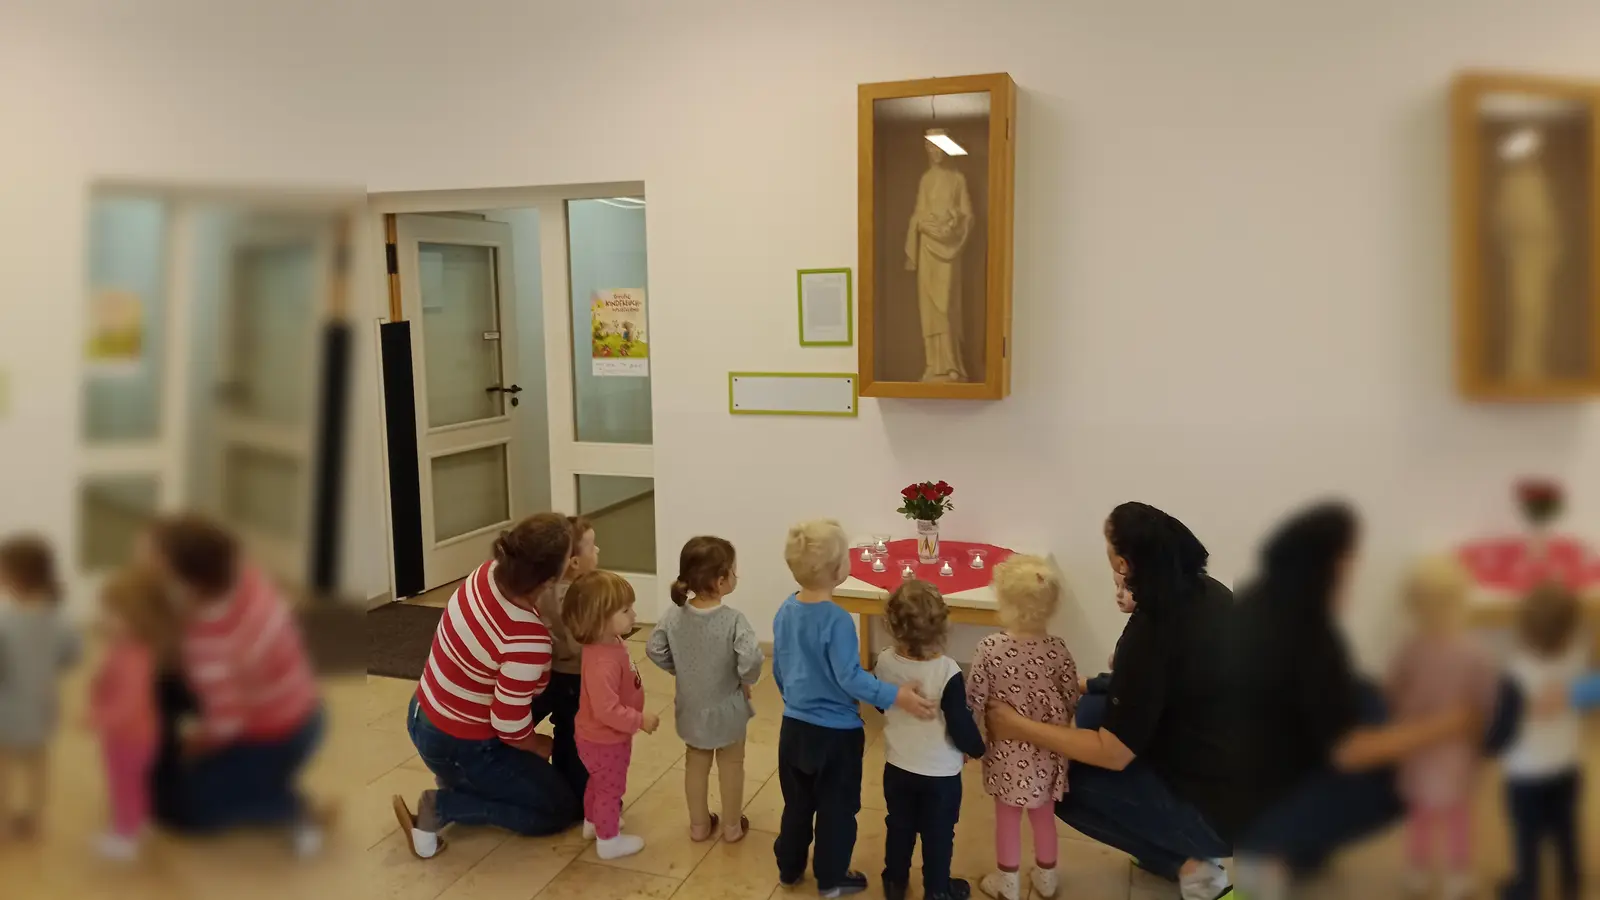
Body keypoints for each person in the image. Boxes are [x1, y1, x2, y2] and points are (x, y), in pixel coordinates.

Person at [1229, 502, 1513, 900]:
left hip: (1233, 763)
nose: (1352, 573)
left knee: (1372, 711)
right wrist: (1448, 725)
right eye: (1348, 563)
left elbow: (1381, 691)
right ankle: (1280, 844)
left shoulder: (1258, 600)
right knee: (1407, 777)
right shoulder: (1309, 638)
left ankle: (1297, 844)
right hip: (1265, 786)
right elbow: (1349, 749)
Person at [984, 502, 1235, 900]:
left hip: (1218, 812)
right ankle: (1178, 843)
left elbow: (1114, 752)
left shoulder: (1150, 635)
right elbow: (1160, 683)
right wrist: (1086, 684)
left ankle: (1191, 862)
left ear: (1123, 563)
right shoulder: (1210, 594)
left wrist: (1018, 726)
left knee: (1057, 779)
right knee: (1092, 710)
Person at [394, 513, 582, 859]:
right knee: (559, 809)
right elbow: (509, 724)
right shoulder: (526, 637)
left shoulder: (486, 573)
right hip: (456, 742)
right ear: (550, 579)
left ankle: (464, 780)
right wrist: (537, 743)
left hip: (425, 710)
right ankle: (444, 805)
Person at [772, 519, 938, 899]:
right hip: (836, 738)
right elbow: (851, 679)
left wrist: (794, 702)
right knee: (836, 811)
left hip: (793, 730)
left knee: (796, 805)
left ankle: (789, 869)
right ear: (837, 571)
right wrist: (897, 695)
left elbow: (780, 668)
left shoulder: (785, 610)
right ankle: (831, 879)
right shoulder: (837, 621)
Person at [141, 514, 325, 854]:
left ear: (188, 578)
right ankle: (259, 785)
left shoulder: (212, 640)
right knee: (164, 683)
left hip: (276, 735)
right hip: (303, 711)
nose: (146, 568)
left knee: (181, 812)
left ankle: (282, 803)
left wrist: (194, 745)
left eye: (156, 563)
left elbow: (228, 725)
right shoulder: (245, 575)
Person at [966, 555, 1078, 900]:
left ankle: (1008, 883)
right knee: (1044, 816)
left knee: (1008, 818)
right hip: (1048, 752)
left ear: (1004, 604)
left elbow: (973, 700)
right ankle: (1047, 878)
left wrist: (971, 739)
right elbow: (1071, 695)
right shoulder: (1059, 650)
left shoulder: (989, 650)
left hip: (1006, 756)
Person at [1387, 557, 1498, 899]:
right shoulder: (1476, 654)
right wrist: (1481, 743)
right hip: (1457, 751)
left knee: (1420, 814)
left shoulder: (1409, 649)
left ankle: (1417, 871)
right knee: (1458, 816)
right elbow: (1485, 705)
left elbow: (1392, 692)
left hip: (1417, 747)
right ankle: (1456, 876)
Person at [646, 536, 763, 843]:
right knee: (732, 764)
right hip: (728, 708)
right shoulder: (733, 620)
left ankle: (699, 827)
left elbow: (654, 648)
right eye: (734, 571)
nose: (738, 576)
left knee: (695, 763)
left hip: (691, 708)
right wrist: (744, 679)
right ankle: (732, 827)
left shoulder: (674, 616)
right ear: (721, 581)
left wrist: (680, 670)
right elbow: (751, 657)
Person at [875, 580, 985, 900]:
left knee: (899, 825)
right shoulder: (947, 671)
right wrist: (977, 748)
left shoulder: (884, 661)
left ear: (893, 626)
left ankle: (894, 881)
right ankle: (937, 890)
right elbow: (960, 723)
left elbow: (882, 701)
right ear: (941, 627)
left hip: (897, 766)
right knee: (938, 835)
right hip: (940, 775)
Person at [565, 570, 658, 859]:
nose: (634, 614)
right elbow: (607, 710)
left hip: (599, 736)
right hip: (604, 739)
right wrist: (639, 720)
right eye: (625, 610)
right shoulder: (602, 661)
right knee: (610, 788)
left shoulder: (609, 642)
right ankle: (609, 841)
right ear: (599, 618)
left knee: (598, 782)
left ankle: (593, 823)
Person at [1500, 583, 1584, 900]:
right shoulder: (1576, 658)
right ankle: (1571, 882)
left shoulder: (1515, 671)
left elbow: (1501, 716)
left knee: (1526, 836)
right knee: (1566, 831)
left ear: (1523, 630)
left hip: (1525, 774)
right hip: (1566, 765)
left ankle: (1527, 887)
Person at [0, 535, 79, 839]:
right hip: (43, 705)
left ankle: (4, 823)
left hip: (6, 708)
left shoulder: (4, 623)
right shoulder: (61, 618)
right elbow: (72, 655)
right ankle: (36, 820)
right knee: (38, 763)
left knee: (4, 767)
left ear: (15, 577)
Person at [88, 566, 167, 860]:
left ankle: (125, 836)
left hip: (129, 737)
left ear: (137, 619)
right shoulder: (128, 648)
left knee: (123, 784)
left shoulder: (133, 656)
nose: (104, 618)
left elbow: (129, 703)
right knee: (134, 783)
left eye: (112, 613)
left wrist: (99, 717)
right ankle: (138, 823)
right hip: (136, 734)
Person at [531, 516, 599, 798]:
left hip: (548, 673)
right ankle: (580, 793)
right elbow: (577, 643)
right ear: (573, 562)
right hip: (574, 674)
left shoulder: (543, 590)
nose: (598, 551)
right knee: (574, 733)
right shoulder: (575, 596)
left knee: (562, 726)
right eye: (592, 547)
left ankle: (559, 784)